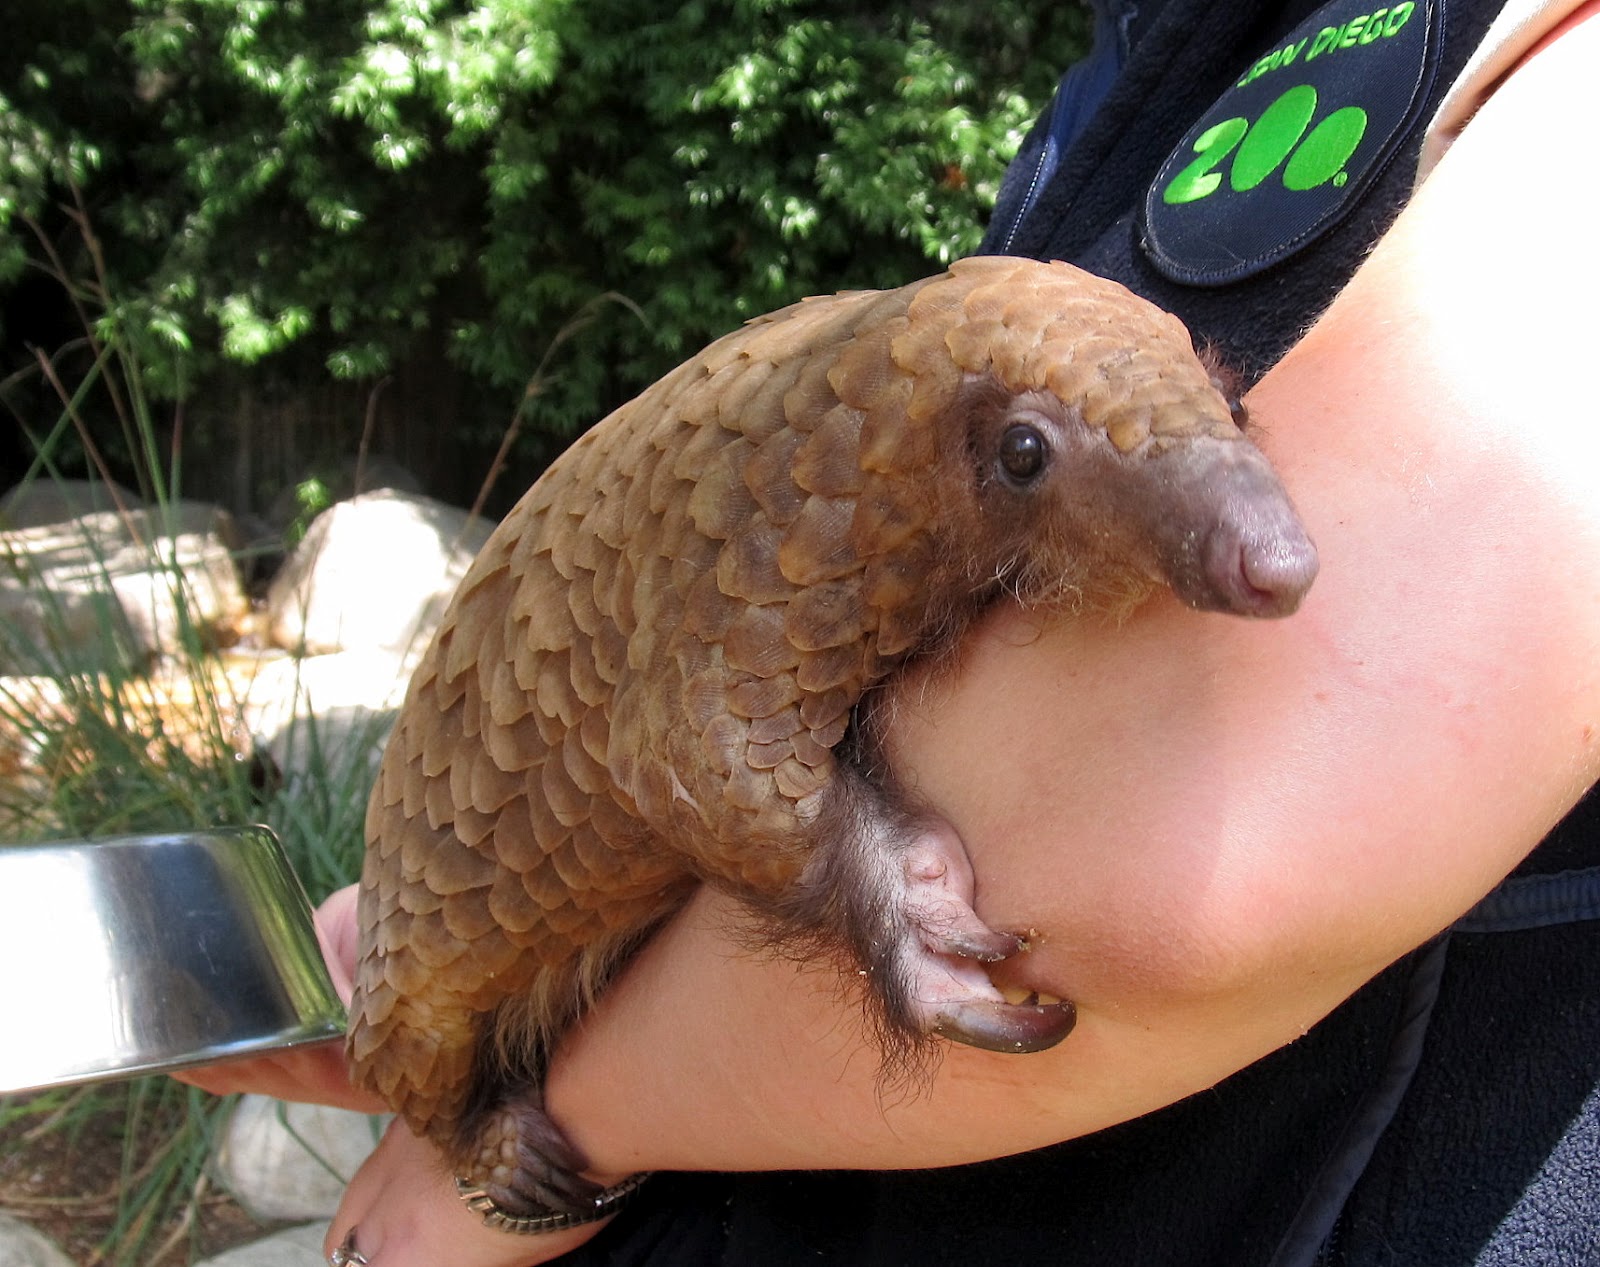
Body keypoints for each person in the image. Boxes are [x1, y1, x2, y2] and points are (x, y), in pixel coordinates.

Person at [181, 0, 1600, 1262]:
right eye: (1032, 460)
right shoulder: (1147, 62)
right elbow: (716, 740)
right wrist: (468, 1090)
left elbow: (1165, 882)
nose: (1269, 551)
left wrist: (548, 1134)